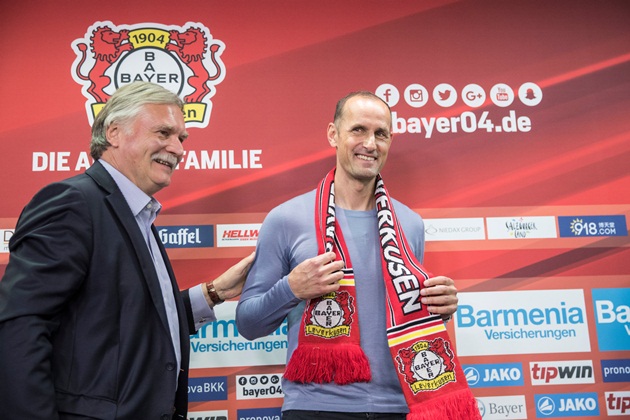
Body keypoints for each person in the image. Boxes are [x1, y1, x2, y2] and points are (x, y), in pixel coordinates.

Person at [0, 81, 254, 420]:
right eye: (163, 133)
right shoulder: (73, 203)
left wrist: (214, 292)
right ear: (114, 132)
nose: (178, 149)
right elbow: (20, 327)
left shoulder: (137, 213)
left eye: (182, 138)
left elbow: (129, 322)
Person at [236, 91, 479, 419]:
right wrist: (292, 288)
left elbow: (401, 311)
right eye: (358, 130)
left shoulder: (409, 223)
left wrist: (438, 307)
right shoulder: (286, 219)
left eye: (381, 134)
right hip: (316, 406)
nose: (370, 143)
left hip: (398, 406)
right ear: (333, 134)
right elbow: (249, 323)